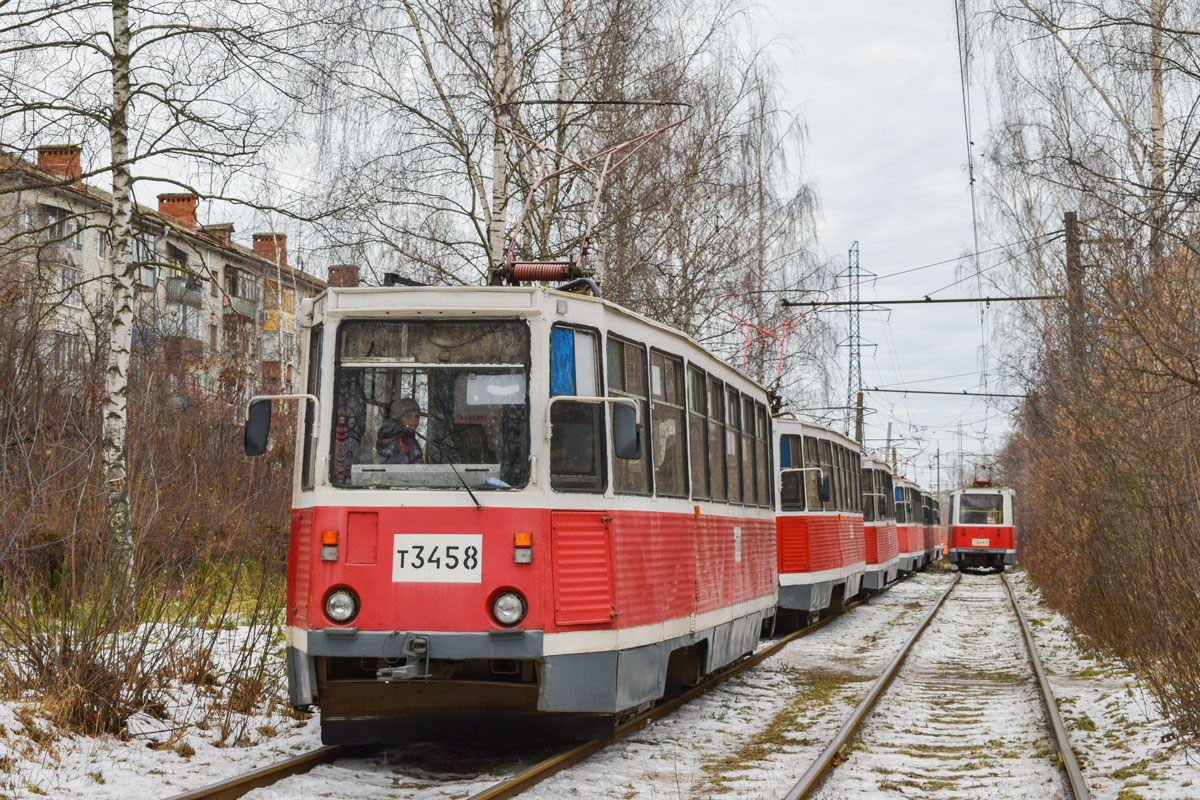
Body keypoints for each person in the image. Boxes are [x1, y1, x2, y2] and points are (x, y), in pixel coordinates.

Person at [376, 398, 425, 464]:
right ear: (397, 418)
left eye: (417, 416)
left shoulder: (384, 438)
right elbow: (419, 471)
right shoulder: (407, 442)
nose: (414, 420)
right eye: (408, 415)